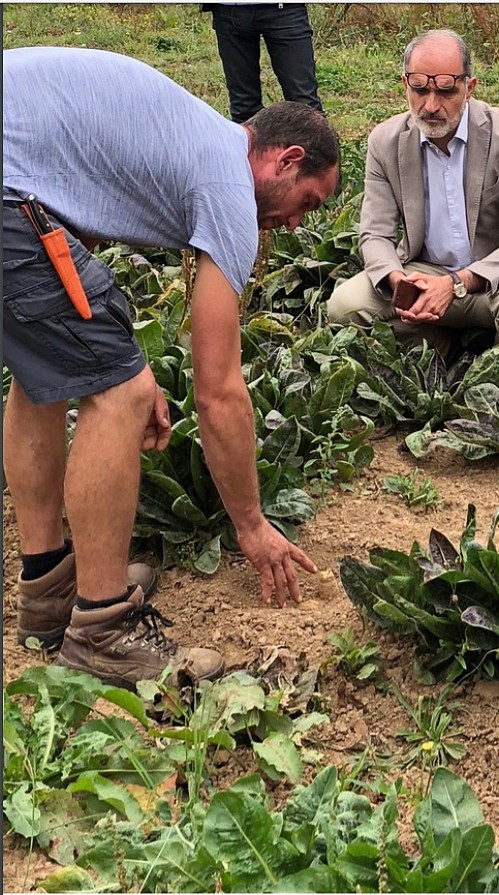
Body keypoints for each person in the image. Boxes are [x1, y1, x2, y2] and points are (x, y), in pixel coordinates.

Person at [3, 46, 341, 690]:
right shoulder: (229, 185)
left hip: (18, 175)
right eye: (308, 203)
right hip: (8, 189)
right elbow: (218, 390)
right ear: (286, 160)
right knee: (120, 394)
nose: (296, 225)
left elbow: (79, 230)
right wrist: (250, 524)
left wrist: (118, 357)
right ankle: (103, 628)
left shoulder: (185, 136)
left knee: (45, 374)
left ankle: (48, 588)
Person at [325, 29, 499, 377]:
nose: (431, 105)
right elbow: (375, 235)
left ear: (469, 88)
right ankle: (440, 342)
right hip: (425, 271)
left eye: (446, 90)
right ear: (404, 85)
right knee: (344, 306)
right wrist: (398, 282)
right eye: (420, 90)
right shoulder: (385, 141)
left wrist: (456, 285)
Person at [205, 3, 324, 124]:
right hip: (228, 11)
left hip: (286, 10)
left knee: (305, 105)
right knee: (244, 108)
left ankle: (317, 143)